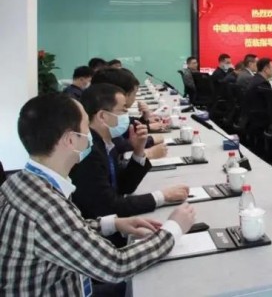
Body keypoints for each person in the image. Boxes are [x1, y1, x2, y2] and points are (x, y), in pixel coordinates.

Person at [0, 93, 196, 296]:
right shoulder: (47, 207)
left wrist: (113, 224)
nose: (91, 134)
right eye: (86, 127)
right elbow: (116, 265)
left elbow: (65, 231)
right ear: (71, 140)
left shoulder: (20, 181)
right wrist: (174, 229)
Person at [71, 84, 189, 223]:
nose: (127, 116)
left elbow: (124, 187)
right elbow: (109, 206)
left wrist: (139, 150)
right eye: (123, 110)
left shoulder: (105, 142)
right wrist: (162, 196)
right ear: (103, 116)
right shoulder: (88, 152)